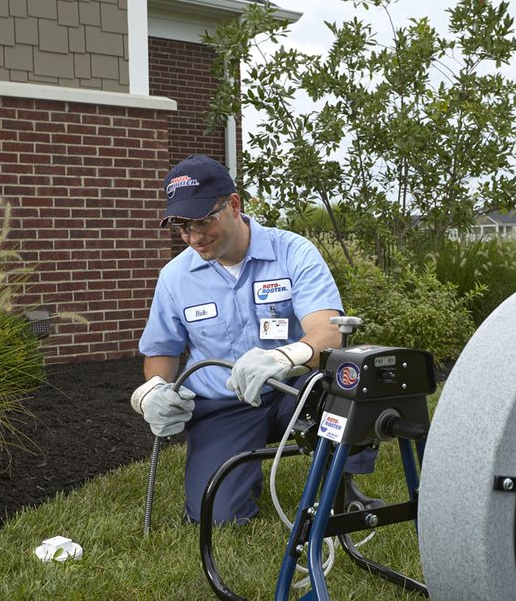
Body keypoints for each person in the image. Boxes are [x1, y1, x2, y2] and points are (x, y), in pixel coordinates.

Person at [132, 154, 377, 524]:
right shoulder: (175, 277)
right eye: (182, 227)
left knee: (346, 380)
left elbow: (329, 332)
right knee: (216, 516)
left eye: (203, 221)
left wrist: (282, 359)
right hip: (224, 405)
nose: (194, 237)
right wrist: (153, 390)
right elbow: (161, 351)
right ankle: (233, 482)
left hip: (292, 392)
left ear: (233, 205)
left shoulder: (292, 252)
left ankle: (343, 484)